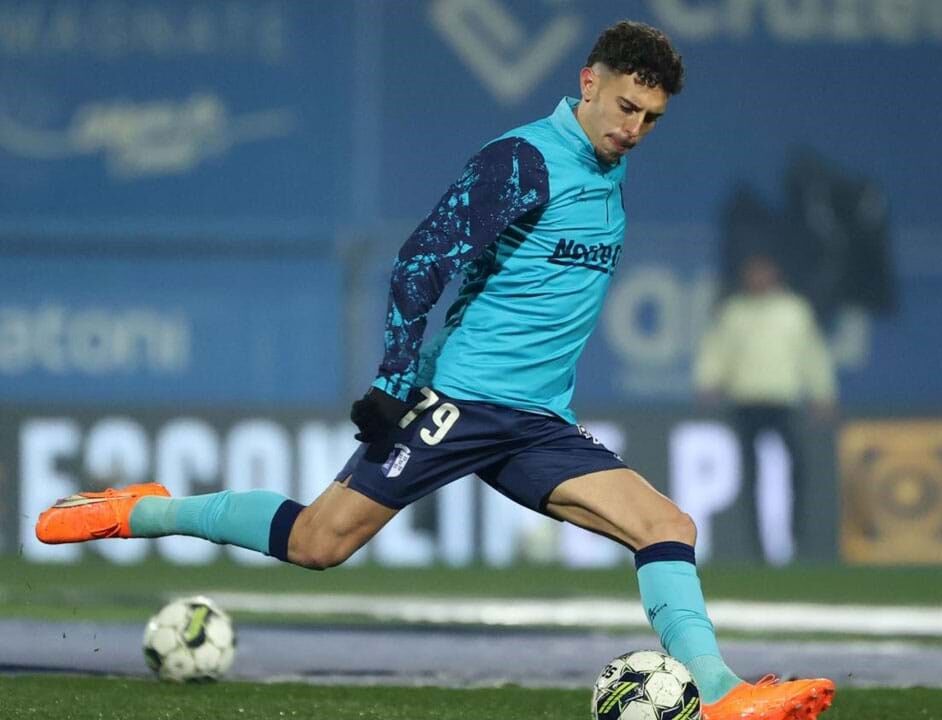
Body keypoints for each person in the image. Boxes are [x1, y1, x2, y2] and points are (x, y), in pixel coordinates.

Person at [34, 21, 834, 720]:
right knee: (318, 543)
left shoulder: (605, 171)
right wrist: (393, 381)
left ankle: (721, 692)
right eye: (626, 106)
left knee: (668, 527)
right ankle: (144, 510)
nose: (634, 129)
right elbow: (423, 259)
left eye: (651, 118)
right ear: (588, 83)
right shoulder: (524, 160)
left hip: (538, 423)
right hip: (460, 401)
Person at [695, 253, 838, 564]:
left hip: (783, 400)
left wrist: (822, 392)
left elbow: (811, 353)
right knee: (751, 476)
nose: (757, 278)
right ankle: (757, 548)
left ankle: (797, 539)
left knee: (797, 468)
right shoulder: (734, 312)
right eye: (753, 272)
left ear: (775, 274)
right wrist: (709, 380)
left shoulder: (794, 311)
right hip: (746, 401)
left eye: (763, 272)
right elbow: (717, 349)